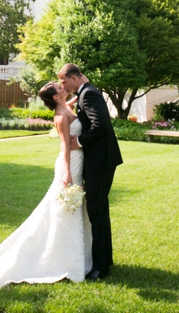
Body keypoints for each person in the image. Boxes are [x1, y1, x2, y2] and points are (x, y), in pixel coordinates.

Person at [0, 82, 92, 286]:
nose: (62, 86)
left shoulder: (65, 106)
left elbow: (71, 103)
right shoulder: (61, 116)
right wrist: (68, 173)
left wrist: (80, 92)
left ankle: (73, 253)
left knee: (67, 207)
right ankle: (61, 257)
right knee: (63, 207)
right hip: (69, 165)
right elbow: (64, 146)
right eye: (58, 87)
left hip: (78, 162)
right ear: (55, 97)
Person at [58, 63, 122, 280]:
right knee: (100, 211)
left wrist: (80, 141)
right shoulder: (86, 91)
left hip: (100, 162)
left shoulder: (89, 94)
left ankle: (101, 268)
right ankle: (105, 260)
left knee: (97, 213)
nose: (63, 85)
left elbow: (100, 125)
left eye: (65, 82)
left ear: (75, 78)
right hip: (98, 161)